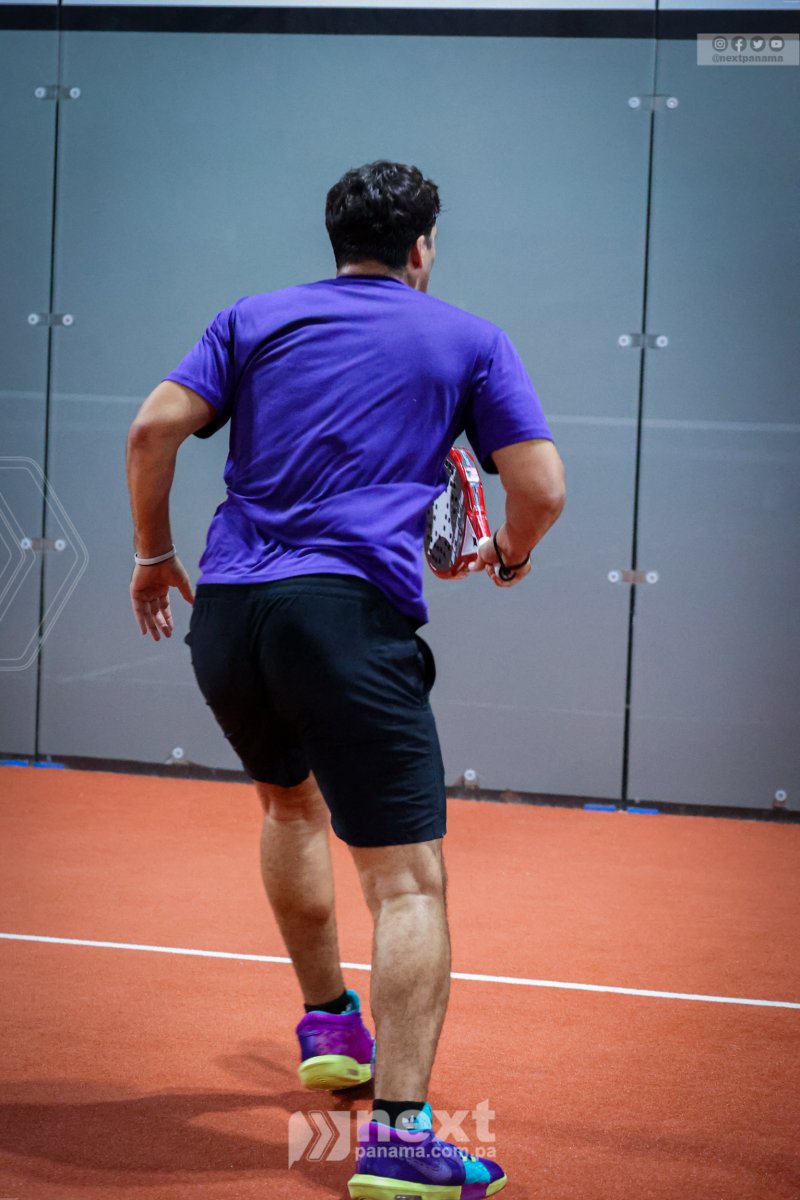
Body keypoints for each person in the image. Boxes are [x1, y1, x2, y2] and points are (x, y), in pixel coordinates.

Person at [126, 160, 565, 1199]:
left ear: (336, 242)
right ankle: (403, 1139)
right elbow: (541, 487)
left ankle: (329, 1025)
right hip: (345, 618)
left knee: (289, 804)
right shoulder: (467, 338)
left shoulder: (251, 319)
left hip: (229, 614)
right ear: (421, 249)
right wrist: (508, 554)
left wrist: (152, 554)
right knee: (406, 880)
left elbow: (152, 428)